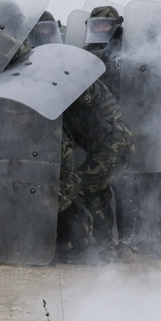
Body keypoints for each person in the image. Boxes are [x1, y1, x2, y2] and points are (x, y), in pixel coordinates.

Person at [59, 78, 135, 260]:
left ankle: (87, 249)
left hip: (112, 144)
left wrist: (61, 90)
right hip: (113, 143)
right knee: (98, 192)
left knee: (75, 188)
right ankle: (105, 248)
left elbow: (87, 96)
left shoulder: (84, 83)